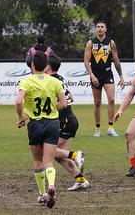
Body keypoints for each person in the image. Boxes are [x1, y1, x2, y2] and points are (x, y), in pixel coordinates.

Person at [16, 51, 67, 209]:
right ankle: (52, 185)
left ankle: (42, 193)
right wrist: (52, 108)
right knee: (49, 161)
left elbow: (18, 102)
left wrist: (21, 117)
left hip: (35, 124)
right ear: (46, 66)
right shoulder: (55, 82)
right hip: (52, 123)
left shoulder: (27, 81)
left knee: (38, 160)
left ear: (32, 65)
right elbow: (64, 104)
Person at [44, 55, 89, 191]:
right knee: (58, 155)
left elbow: (63, 104)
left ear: (48, 67)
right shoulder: (60, 79)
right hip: (69, 120)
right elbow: (71, 98)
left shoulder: (51, 81)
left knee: (48, 152)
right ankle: (80, 180)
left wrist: (46, 111)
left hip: (65, 121)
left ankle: (76, 155)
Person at [83, 19, 124, 137]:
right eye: (98, 27)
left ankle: (110, 128)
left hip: (107, 74)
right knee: (97, 103)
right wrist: (91, 75)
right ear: (96, 29)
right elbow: (86, 61)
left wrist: (121, 76)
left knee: (111, 99)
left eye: (102, 27)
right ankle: (97, 129)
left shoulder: (111, 43)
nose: (100, 28)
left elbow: (116, 60)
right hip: (95, 76)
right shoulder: (91, 43)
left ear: (105, 29)